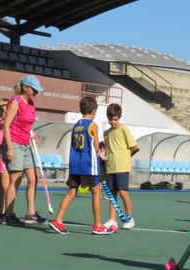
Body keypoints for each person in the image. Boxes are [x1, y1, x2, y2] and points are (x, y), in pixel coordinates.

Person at [48, 96, 112, 235]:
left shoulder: (76, 125)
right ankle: (98, 225)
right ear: (94, 111)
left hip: (75, 164)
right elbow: (96, 147)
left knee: (72, 191)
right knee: (96, 192)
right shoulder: (93, 125)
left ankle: (58, 220)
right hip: (88, 164)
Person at [1, 75, 48, 226]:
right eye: (34, 90)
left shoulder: (31, 103)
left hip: (26, 144)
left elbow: (26, 124)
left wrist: (31, 133)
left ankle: (31, 214)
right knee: (15, 179)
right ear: (25, 88)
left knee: (34, 178)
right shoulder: (15, 102)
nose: (36, 93)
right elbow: (6, 125)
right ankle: (9, 215)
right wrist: (9, 148)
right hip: (13, 143)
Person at [102, 103, 139, 231]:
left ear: (119, 117)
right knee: (112, 194)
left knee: (123, 192)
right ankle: (112, 220)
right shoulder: (106, 133)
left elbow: (135, 147)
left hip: (122, 167)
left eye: (115, 119)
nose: (113, 122)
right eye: (110, 119)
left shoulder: (124, 130)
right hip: (110, 167)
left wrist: (125, 157)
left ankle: (129, 218)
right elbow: (107, 149)